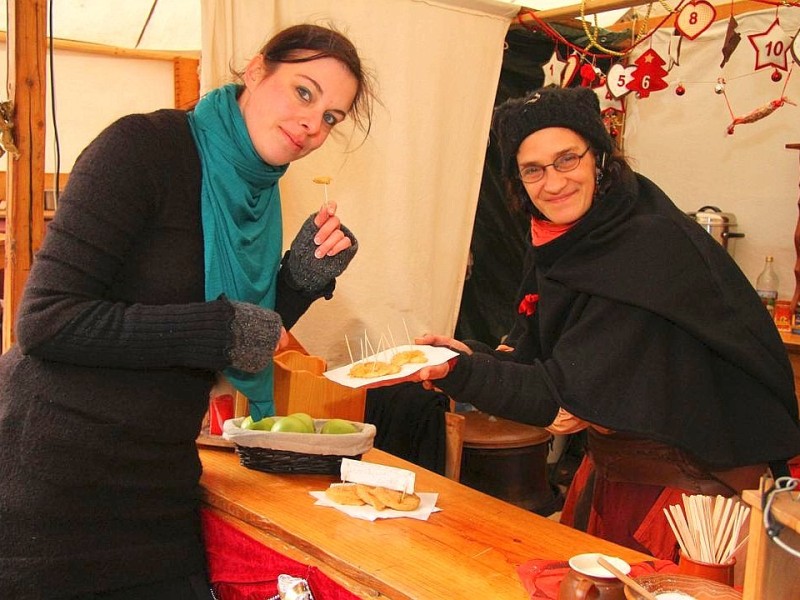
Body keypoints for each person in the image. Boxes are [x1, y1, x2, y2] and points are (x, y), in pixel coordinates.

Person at [0, 24, 376, 599]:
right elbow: (46, 321)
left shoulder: (258, 194)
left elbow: (231, 336)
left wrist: (296, 283)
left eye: (331, 117)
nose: (313, 124)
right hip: (59, 478)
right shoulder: (143, 147)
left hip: (158, 477)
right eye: (304, 92)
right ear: (255, 71)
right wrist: (219, 326)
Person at [412, 85, 800, 560]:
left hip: (697, 495)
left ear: (598, 155)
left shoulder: (644, 246)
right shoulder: (564, 239)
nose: (552, 183)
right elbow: (534, 353)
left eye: (567, 160)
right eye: (532, 170)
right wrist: (466, 355)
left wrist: (461, 373)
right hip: (622, 472)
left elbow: (563, 394)